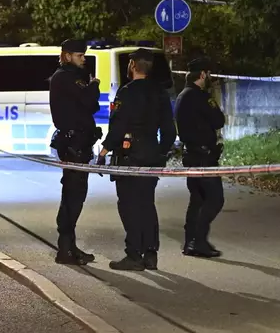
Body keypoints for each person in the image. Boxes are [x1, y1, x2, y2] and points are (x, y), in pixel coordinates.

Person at [96, 48, 176, 271]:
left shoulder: (126, 92)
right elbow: (169, 131)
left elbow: (118, 127)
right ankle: (151, 253)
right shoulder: (160, 93)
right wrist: (160, 152)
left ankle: (134, 255)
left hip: (129, 155)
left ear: (132, 66)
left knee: (129, 206)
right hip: (151, 153)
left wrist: (103, 152)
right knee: (147, 204)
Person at [49, 39, 103, 266]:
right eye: (80, 55)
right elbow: (89, 101)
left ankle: (70, 247)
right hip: (72, 144)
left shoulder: (74, 77)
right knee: (73, 195)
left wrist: (90, 87)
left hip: (80, 143)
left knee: (76, 195)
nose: (84, 59)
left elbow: (90, 106)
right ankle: (65, 249)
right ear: (67, 55)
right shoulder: (63, 77)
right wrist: (94, 85)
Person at [174, 57, 226, 258]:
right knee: (215, 199)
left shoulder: (182, 96)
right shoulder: (200, 97)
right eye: (208, 74)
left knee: (197, 199)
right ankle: (199, 240)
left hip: (191, 154)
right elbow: (219, 120)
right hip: (204, 157)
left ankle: (191, 242)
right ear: (203, 75)